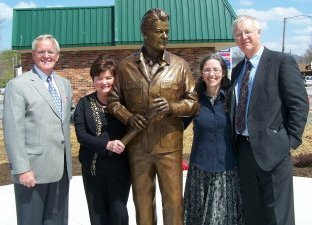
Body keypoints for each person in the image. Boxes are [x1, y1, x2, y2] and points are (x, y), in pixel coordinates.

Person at [107, 8, 199, 225]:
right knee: (143, 202)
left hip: (169, 147)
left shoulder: (180, 66)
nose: (165, 36)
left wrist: (171, 107)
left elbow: (194, 103)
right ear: (145, 32)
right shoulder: (126, 66)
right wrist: (128, 117)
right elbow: (113, 101)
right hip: (138, 148)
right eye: (159, 31)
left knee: (174, 202)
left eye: (167, 31)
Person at [228, 15, 309, 225]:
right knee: (253, 214)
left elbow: (299, 105)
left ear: (259, 33)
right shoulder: (237, 71)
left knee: (277, 216)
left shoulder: (282, 62)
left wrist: (289, 142)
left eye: (247, 32)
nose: (243, 37)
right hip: (244, 153)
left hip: (274, 152)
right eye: (238, 34)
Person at [3, 34, 72, 225]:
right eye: (41, 51)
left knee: (57, 221)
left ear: (57, 55)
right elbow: (12, 131)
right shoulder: (18, 85)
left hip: (61, 169)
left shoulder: (64, 85)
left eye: (51, 51)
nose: (46, 55)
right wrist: (22, 169)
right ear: (33, 55)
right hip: (33, 171)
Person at [183, 54, 244, 225]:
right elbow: (177, 126)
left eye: (216, 69)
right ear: (202, 74)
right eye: (207, 70)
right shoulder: (194, 101)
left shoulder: (233, 98)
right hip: (199, 170)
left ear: (223, 72)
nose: (212, 74)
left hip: (226, 170)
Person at [73, 56, 131, 225]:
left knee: (118, 213)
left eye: (108, 78)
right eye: (99, 78)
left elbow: (135, 127)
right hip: (93, 170)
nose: (103, 82)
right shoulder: (84, 103)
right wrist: (107, 145)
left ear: (115, 79)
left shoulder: (125, 103)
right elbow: (81, 135)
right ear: (93, 81)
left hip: (120, 170)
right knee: (98, 215)